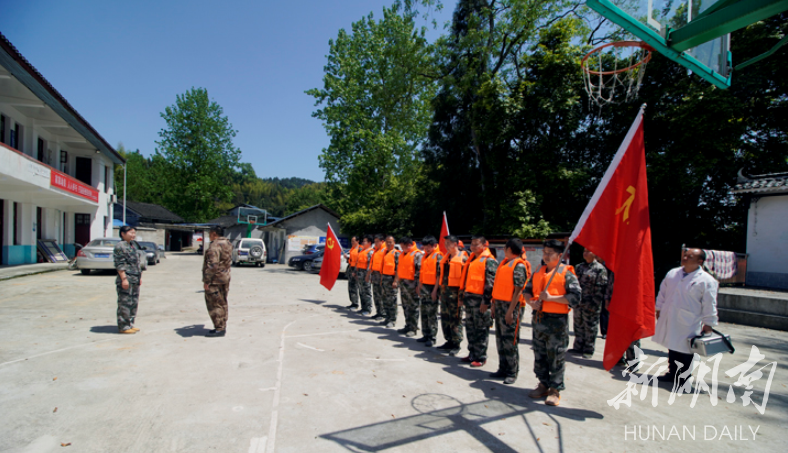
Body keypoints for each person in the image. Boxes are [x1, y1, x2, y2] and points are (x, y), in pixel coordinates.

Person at [524, 239, 581, 406]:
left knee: (556, 355)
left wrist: (552, 298)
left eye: (550, 253)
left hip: (556, 322)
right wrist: (531, 302)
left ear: (559, 255)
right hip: (539, 319)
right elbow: (527, 290)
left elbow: (576, 297)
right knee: (539, 353)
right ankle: (543, 383)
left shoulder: (566, 273)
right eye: (545, 252)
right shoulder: (539, 270)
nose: (546, 256)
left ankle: (555, 389)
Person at [653, 248, 718, 384]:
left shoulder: (706, 280)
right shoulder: (673, 273)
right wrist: (658, 308)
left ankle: (684, 377)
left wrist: (708, 323)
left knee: (685, 349)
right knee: (672, 345)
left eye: (690, 256)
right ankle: (672, 373)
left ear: (700, 261)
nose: (685, 258)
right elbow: (662, 292)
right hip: (671, 316)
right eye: (685, 255)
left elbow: (709, 303)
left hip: (689, 320)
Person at [490, 239, 530, 384]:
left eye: (505, 248)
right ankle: (503, 368)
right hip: (500, 305)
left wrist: (511, 311)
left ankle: (512, 372)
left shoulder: (519, 266)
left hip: (510, 307)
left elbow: (518, 291)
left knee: (510, 340)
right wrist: (494, 304)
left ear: (509, 249)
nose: (503, 250)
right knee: (500, 338)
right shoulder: (505, 263)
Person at [458, 235, 498, 367]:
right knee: (470, 327)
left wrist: (486, 301)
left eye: (476, 244)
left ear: (484, 245)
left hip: (480, 301)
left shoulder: (489, 261)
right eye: (472, 244)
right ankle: (472, 354)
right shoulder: (471, 260)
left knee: (480, 329)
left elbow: (490, 284)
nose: (473, 247)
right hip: (469, 299)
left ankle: (480, 357)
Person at [570, 248, 608, 359]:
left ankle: (588, 349)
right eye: (584, 251)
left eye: (588, 251)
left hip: (591, 304)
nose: (585, 253)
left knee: (590, 327)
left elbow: (601, 288)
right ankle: (578, 347)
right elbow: (573, 284)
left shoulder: (600, 269)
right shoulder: (579, 267)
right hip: (579, 303)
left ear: (595, 253)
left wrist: (593, 304)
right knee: (578, 325)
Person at [437, 235, 468, 356]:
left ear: (455, 244)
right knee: (445, 318)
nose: (446, 245)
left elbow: (465, 280)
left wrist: (462, 297)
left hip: (456, 295)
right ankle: (448, 341)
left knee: (455, 319)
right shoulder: (446, 257)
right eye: (445, 243)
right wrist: (440, 292)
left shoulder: (463, 258)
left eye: (449, 243)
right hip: (445, 293)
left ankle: (456, 343)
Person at [202, 225, 232, 337]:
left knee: (215, 304)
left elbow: (213, 265)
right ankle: (222, 325)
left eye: (210, 234)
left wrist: (207, 280)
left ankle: (219, 328)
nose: (209, 236)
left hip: (215, 279)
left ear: (214, 233)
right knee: (223, 302)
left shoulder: (214, 246)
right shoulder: (228, 244)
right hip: (225, 277)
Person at [114, 226, 142, 334]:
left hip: (135, 278)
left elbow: (137, 263)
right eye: (131, 233)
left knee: (133, 302)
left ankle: (130, 323)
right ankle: (123, 326)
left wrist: (140, 278)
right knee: (124, 303)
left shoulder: (133, 245)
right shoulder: (120, 246)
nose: (133, 235)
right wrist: (124, 279)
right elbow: (120, 264)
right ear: (123, 234)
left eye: (134, 233)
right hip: (126, 278)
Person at [417, 236, 443, 347]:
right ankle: (425, 334)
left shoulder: (438, 256)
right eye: (425, 246)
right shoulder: (425, 256)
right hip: (424, 288)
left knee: (432, 313)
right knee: (424, 312)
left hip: (433, 288)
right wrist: (419, 286)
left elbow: (439, 275)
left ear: (434, 245)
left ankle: (432, 337)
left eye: (428, 246)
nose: (426, 248)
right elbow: (422, 273)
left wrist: (435, 291)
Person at [395, 237, 423, 337]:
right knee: (405, 306)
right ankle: (408, 325)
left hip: (413, 285)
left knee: (413, 307)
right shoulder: (402, 254)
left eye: (403, 246)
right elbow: (399, 269)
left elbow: (420, 271)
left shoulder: (417, 255)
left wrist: (418, 286)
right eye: (401, 247)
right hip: (403, 284)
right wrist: (397, 281)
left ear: (409, 245)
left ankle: (413, 328)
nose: (402, 249)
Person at [380, 235, 401, 328]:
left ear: (394, 243)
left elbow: (398, 269)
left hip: (392, 280)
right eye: (387, 242)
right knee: (385, 300)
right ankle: (387, 318)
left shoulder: (396, 253)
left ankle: (392, 320)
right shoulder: (384, 253)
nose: (388, 244)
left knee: (392, 301)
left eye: (390, 242)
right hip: (384, 279)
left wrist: (395, 281)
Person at [366, 234, 388, 320]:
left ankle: (383, 314)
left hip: (381, 275)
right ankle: (378, 312)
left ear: (382, 241)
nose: (375, 243)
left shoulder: (385, 250)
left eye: (377, 242)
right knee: (376, 295)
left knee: (382, 295)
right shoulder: (376, 250)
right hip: (375, 275)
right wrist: (369, 275)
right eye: (374, 242)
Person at [355, 235, 375, 316]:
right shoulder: (362, 251)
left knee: (366, 292)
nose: (363, 242)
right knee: (361, 291)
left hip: (366, 274)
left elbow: (370, 265)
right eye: (363, 241)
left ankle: (368, 309)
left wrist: (367, 275)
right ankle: (363, 308)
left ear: (369, 243)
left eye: (364, 241)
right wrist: (356, 272)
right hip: (360, 273)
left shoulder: (370, 252)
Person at [344, 236, 361, 310]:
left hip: (356, 269)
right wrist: (347, 258)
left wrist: (356, 271)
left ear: (358, 241)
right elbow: (351, 260)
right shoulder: (352, 249)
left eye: (353, 241)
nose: (352, 243)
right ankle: (353, 302)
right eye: (351, 241)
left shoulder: (360, 249)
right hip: (351, 268)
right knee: (351, 287)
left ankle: (356, 304)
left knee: (355, 286)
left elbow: (359, 260)